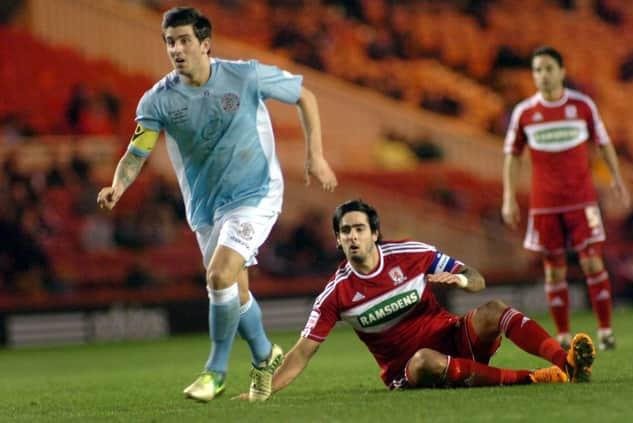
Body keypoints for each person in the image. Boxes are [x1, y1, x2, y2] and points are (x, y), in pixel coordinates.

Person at [97, 7, 338, 402]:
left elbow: (305, 96)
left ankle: (215, 371)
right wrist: (117, 186)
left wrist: (316, 155)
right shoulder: (158, 100)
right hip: (206, 208)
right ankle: (265, 354)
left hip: (255, 193)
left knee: (219, 277)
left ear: (205, 44)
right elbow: (136, 152)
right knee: (235, 293)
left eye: (184, 40)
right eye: (170, 42)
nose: (176, 49)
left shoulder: (244, 76)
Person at [236, 200, 596, 399]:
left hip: (455, 339)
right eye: (345, 231)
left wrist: (458, 278)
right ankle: (533, 379)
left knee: (494, 310)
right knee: (425, 360)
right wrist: (262, 392)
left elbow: (477, 278)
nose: (353, 236)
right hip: (410, 370)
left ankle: (565, 363)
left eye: (360, 228)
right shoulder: (336, 293)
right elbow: (301, 353)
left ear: (375, 233)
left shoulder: (412, 253)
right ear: (337, 240)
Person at [501, 46, 630, 351]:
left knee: (592, 263)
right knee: (554, 269)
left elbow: (604, 142)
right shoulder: (524, 112)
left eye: (548, 69)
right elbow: (512, 155)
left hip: (582, 201)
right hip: (545, 204)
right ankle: (561, 335)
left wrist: (617, 179)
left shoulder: (582, 106)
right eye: (537, 70)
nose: (543, 76)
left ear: (561, 71)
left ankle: (606, 331)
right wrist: (508, 196)